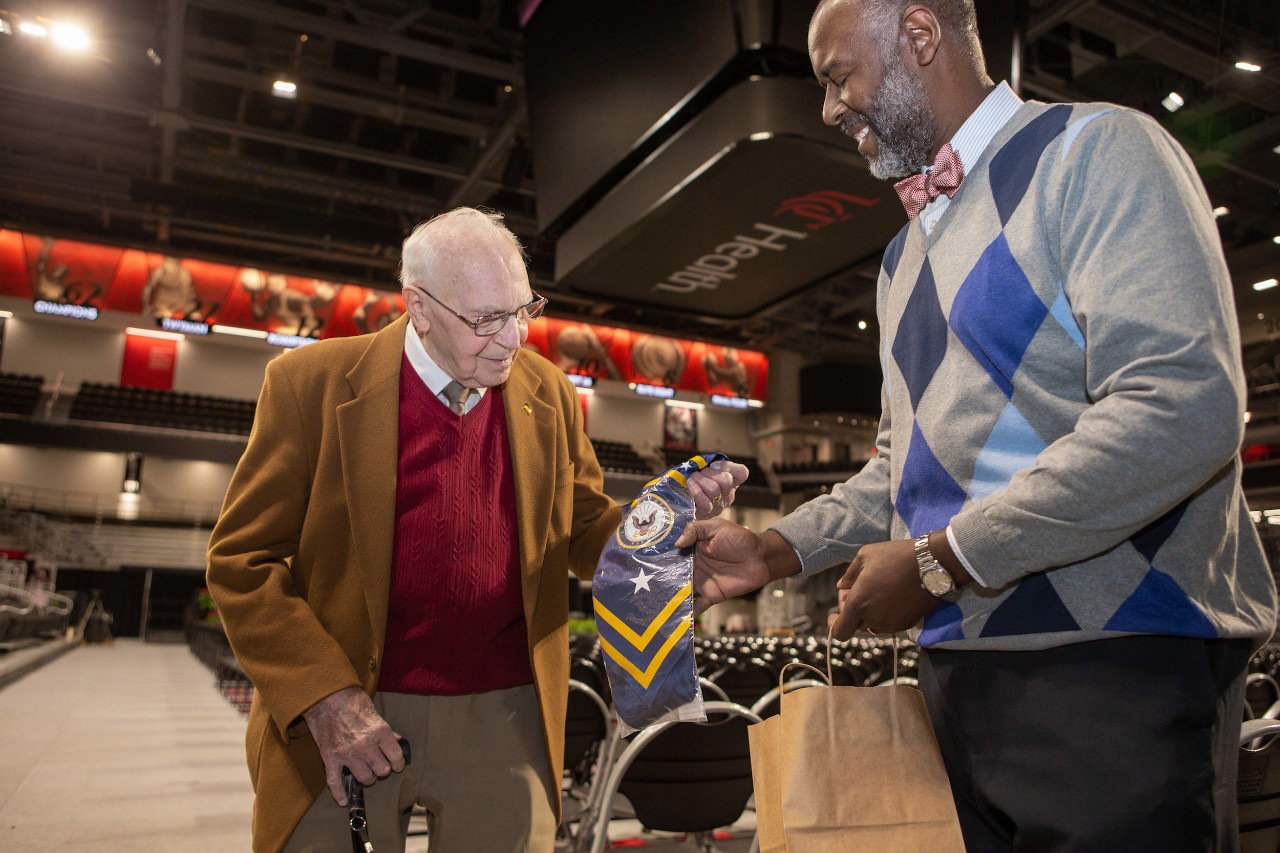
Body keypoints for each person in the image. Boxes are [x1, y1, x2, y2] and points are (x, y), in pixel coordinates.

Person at [677, 1, 1278, 850]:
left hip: (1120, 657)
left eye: (837, 76)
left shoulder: (1098, 149)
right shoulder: (899, 257)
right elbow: (898, 468)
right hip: (960, 673)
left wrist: (938, 560)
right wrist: (779, 549)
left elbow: (1182, 405)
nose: (828, 108)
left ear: (920, 37)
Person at [206, 207, 747, 853]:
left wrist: (662, 520)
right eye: (486, 318)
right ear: (419, 306)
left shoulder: (547, 389)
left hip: (506, 709)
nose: (513, 337)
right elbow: (243, 561)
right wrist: (323, 695)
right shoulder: (309, 383)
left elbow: (582, 529)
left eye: (523, 310)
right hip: (352, 702)